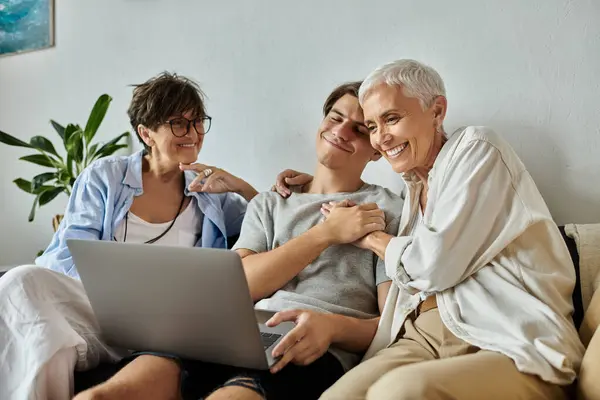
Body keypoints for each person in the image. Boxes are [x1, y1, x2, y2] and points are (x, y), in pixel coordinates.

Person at [74, 81, 404, 400]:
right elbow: (241, 285)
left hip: (312, 347)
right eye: (335, 117)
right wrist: (325, 233)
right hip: (230, 334)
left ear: (376, 146)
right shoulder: (270, 203)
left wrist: (333, 327)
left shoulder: (387, 209)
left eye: (360, 129)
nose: (342, 131)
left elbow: (394, 322)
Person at [315, 60, 585, 400]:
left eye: (392, 118)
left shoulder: (478, 147)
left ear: (437, 111)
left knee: (399, 393)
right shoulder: (411, 191)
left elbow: (433, 266)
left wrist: (371, 238)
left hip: (501, 337)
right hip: (420, 337)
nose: (381, 138)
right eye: (372, 126)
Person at [0, 72, 265, 400]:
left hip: (173, 322)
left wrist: (240, 186)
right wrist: (116, 297)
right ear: (146, 133)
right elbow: (66, 256)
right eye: (178, 124)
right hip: (100, 308)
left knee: (50, 325)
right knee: (21, 282)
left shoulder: (214, 194)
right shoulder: (105, 177)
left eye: (198, 122)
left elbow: (269, 229)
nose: (193, 134)